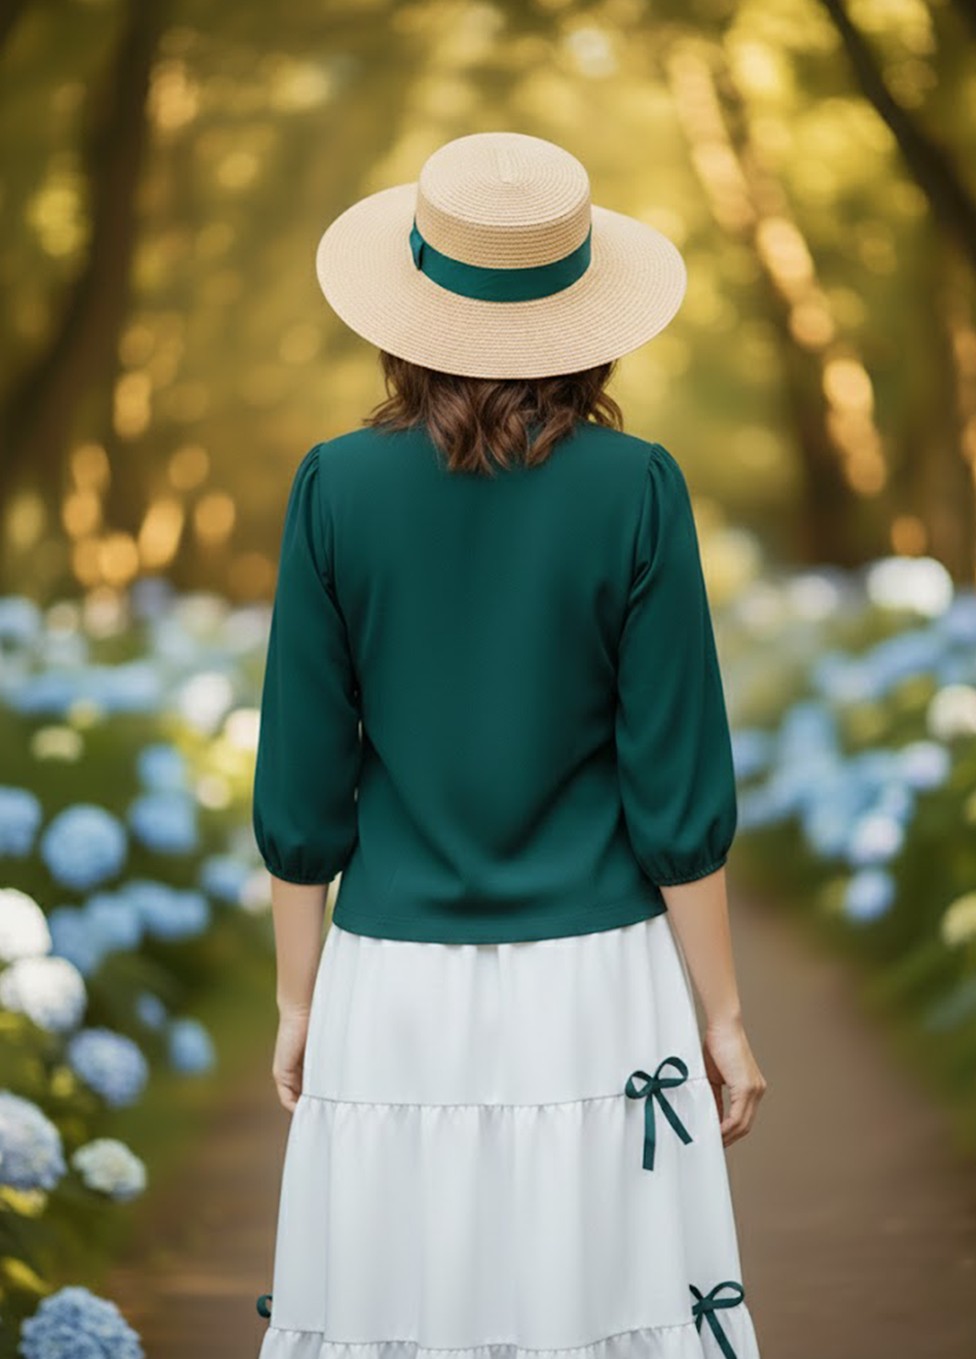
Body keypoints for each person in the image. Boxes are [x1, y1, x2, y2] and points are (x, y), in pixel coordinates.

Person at [252, 130, 766, 1359]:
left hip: (393, 978)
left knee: (404, 1307)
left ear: (406, 305)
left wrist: (294, 997)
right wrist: (727, 1017)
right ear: (584, 318)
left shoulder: (333, 487)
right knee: (597, 1303)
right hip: (598, 979)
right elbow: (675, 783)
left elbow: (303, 785)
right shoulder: (638, 487)